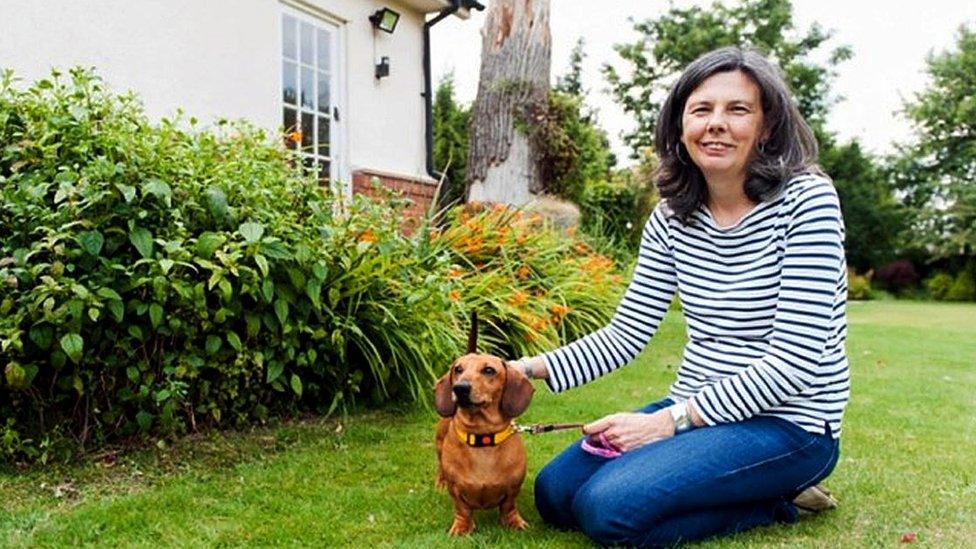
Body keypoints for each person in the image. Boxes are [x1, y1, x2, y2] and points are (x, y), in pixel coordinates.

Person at [510, 46, 848, 546]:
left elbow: (793, 362)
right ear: (680, 125)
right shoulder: (673, 217)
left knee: (609, 510)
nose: (717, 124)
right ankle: (733, 483)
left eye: (738, 110)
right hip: (695, 409)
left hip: (790, 425)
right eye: (701, 110)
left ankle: (778, 496)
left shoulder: (808, 201)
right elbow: (626, 333)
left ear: (768, 126)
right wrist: (525, 368)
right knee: (556, 495)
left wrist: (667, 424)